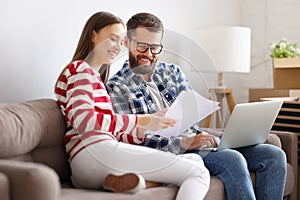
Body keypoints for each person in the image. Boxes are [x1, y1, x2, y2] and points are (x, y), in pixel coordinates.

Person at [106, 12, 287, 200]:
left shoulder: (171, 72)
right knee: (232, 159)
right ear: (127, 42)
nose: (149, 55)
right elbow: (131, 141)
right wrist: (184, 142)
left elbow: (191, 113)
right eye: (142, 47)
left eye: (155, 48)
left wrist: (220, 137)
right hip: (169, 153)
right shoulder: (117, 87)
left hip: (197, 142)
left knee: (274, 155)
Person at [54, 11, 210, 199]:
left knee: (193, 159)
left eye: (120, 42)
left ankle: (136, 183)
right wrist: (142, 121)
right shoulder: (80, 69)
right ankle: (141, 181)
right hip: (95, 153)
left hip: (90, 168)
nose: (117, 48)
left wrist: (152, 125)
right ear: (93, 35)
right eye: (112, 39)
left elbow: (114, 130)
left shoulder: (95, 78)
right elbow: (85, 122)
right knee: (198, 172)